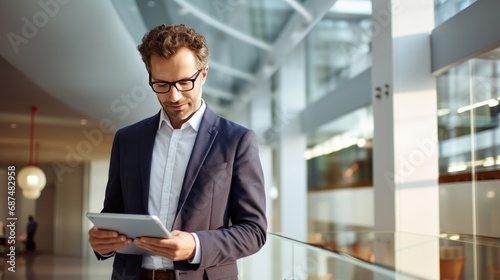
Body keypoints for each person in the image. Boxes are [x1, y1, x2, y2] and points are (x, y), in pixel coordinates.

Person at [88, 24, 267, 280]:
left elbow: (254, 231)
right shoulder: (127, 139)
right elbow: (114, 212)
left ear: (203, 74)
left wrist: (196, 245)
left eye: (185, 82)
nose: (174, 96)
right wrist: (102, 240)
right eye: (161, 84)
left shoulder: (237, 141)